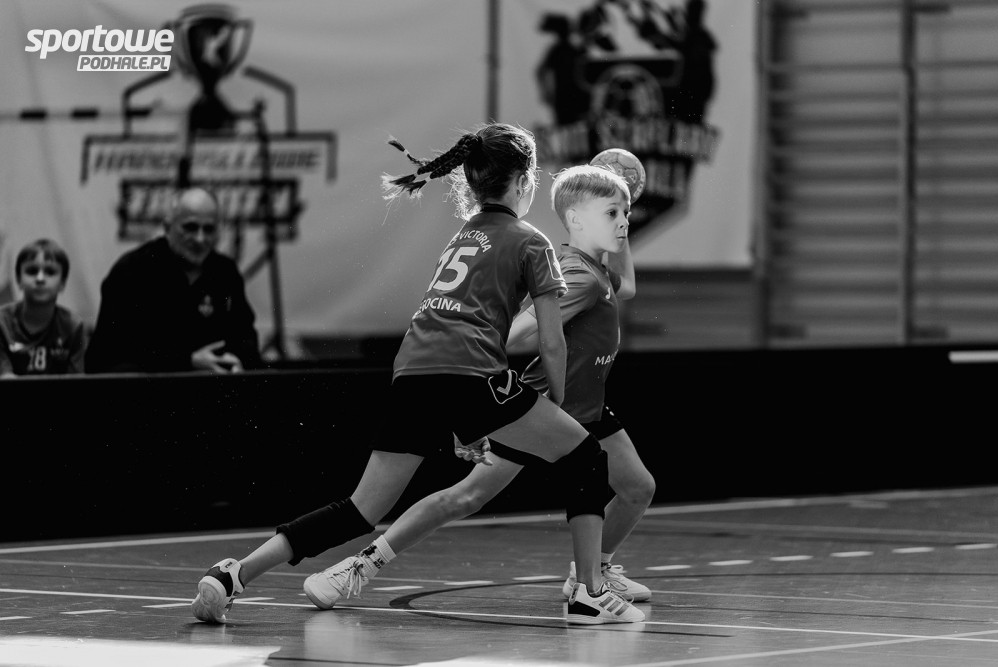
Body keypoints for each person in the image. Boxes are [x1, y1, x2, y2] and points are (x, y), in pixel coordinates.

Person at [191, 122, 644, 626]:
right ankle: (589, 593)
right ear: (524, 182)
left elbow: (446, 328)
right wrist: (553, 407)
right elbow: (551, 341)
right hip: (471, 373)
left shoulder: (460, 238)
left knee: (358, 509)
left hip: (411, 372)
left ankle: (234, 574)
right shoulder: (531, 241)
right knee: (585, 456)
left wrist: (465, 422)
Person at [297, 164, 654, 609]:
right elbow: (520, 330)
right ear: (576, 219)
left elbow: (629, 286)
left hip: (590, 408)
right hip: (545, 406)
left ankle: (595, 570)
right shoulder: (578, 277)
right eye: (613, 213)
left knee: (637, 488)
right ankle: (357, 566)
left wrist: (620, 213)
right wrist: (476, 385)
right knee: (464, 497)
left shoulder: (598, 272)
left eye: (627, 213)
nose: (624, 222)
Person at [84, 186, 262, 374]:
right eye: (190, 228)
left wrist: (238, 360)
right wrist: (187, 361)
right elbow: (108, 355)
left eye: (209, 229)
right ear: (168, 227)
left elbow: (245, 338)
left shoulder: (225, 272)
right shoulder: (133, 271)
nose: (200, 239)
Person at [0, 238, 88, 378]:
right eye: (32, 271)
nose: (40, 278)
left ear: (62, 283)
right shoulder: (2, 322)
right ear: (18, 279)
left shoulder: (73, 326)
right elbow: (6, 382)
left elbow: (75, 383)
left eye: (50, 272)